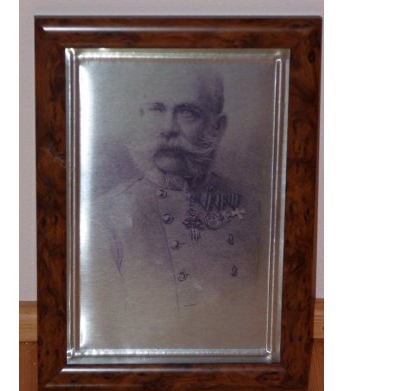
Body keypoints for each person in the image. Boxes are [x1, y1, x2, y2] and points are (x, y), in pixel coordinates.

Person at [79, 68, 265, 352]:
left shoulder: (254, 208)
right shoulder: (102, 219)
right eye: (156, 110)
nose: (168, 128)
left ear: (217, 128)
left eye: (187, 112)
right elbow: (102, 338)